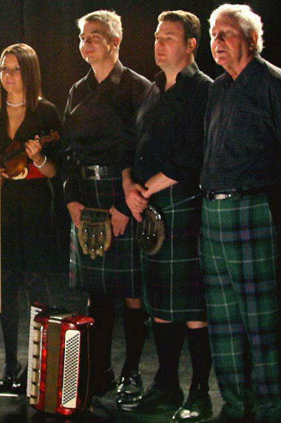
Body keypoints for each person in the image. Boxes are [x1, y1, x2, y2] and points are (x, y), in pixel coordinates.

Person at [123, 11, 213, 421]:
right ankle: (167, 386)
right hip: (148, 205)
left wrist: (147, 189)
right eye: (157, 37)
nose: (159, 44)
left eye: (169, 38)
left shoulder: (203, 90)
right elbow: (133, 145)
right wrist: (129, 186)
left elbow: (195, 154)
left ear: (191, 44)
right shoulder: (153, 89)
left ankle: (199, 393)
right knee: (159, 304)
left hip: (182, 204)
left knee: (193, 309)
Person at [62, 10, 150, 406]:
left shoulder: (138, 87)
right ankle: (99, 372)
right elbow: (68, 150)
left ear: (115, 41)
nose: (86, 43)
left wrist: (123, 206)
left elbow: (144, 149)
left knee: (131, 292)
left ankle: (131, 372)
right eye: (83, 37)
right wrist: (71, 197)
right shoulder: (77, 90)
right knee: (96, 293)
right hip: (86, 194)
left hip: (123, 194)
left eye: (94, 36)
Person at [0, 43, 62, 392]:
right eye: (4, 69)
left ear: (30, 73)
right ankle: (10, 364)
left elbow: (54, 171)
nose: (8, 76)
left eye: (16, 69)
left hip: (35, 205)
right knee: (5, 285)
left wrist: (37, 159)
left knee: (36, 282)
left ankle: (44, 363)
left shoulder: (46, 113)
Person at [200, 4, 281, 422]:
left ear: (250, 39)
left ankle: (270, 406)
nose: (217, 42)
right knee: (223, 319)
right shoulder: (217, 89)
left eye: (225, 34)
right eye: (213, 35)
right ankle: (235, 404)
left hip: (250, 210)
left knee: (260, 319)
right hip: (212, 211)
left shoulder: (272, 84)